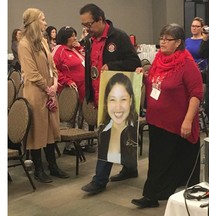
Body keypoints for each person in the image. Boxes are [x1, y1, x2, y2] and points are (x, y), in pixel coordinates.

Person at [131, 23, 203, 208]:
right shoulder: (159, 59)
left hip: (177, 124)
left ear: (178, 42)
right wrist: (143, 76)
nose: (162, 42)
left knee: (176, 162)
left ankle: (179, 200)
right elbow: (156, 82)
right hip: (157, 121)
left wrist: (188, 120)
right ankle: (152, 196)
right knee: (157, 161)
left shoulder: (187, 64)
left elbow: (196, 94)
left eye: (167, 39)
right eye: (161, 38)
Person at [79, 3, 141, 194]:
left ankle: (99, 180)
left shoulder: (119, 37)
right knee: (119, 135)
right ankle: (130, 169)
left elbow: (134, 63)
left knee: (106, 137)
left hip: (116, 95)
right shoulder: (90, 40)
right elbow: (90, 69)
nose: (86, 29)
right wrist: (90, 94)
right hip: (98, 96)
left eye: (89, 24)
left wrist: (112, 65)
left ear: (100, 20)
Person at [18, 8, 69, 183]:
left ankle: (53, 166)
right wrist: (48, 89)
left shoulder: (43, 41)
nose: (46, 23)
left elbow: (52, 66)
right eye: (43, 19)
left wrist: (54, 84)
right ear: (33, 22)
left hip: (49, 92)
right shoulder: (24, 44)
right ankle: (39, 169)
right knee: (38, 131)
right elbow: (31, 73)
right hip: (36, 93)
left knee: (51, 129)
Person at [51, 26, 88, 155]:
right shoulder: (59, 50)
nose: (75, 37)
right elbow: (53, 69)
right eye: (72, 35)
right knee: (71, 117)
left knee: (81, 117)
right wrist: (67, 80)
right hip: (69, 90)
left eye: (75, 34)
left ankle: (81, 142)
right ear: (65, 37)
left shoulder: (75, 49)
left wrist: (78, 48)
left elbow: (86, 59)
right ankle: (69, 146)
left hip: (82, 88)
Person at [98, 73, 138, 169]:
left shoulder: (133, 132)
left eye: (123, 99)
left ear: (131, 100)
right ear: (106, 101)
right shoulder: (102, 133)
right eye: (112, 100)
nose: (118, 106)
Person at [185, 17, 208, 83]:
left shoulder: (205, 41)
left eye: (197, 26)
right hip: (188, 71)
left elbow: (206, 56)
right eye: (193, 26)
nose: (194, 28)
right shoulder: (187, 41)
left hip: (200, 71)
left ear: (202, 28)